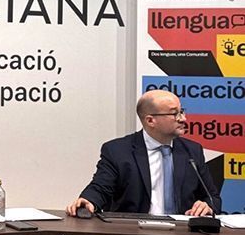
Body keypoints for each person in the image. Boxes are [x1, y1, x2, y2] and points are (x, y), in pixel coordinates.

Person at [66, 89, 221, 217]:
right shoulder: (117, 151)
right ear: (150, 120)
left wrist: (207, 205)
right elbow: (101, 188)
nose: (183, 119)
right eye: (175, 114)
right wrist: (89, 200)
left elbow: (212, 197)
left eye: (182, 112)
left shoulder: (192, 151)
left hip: (183, 234)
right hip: (132, 233)